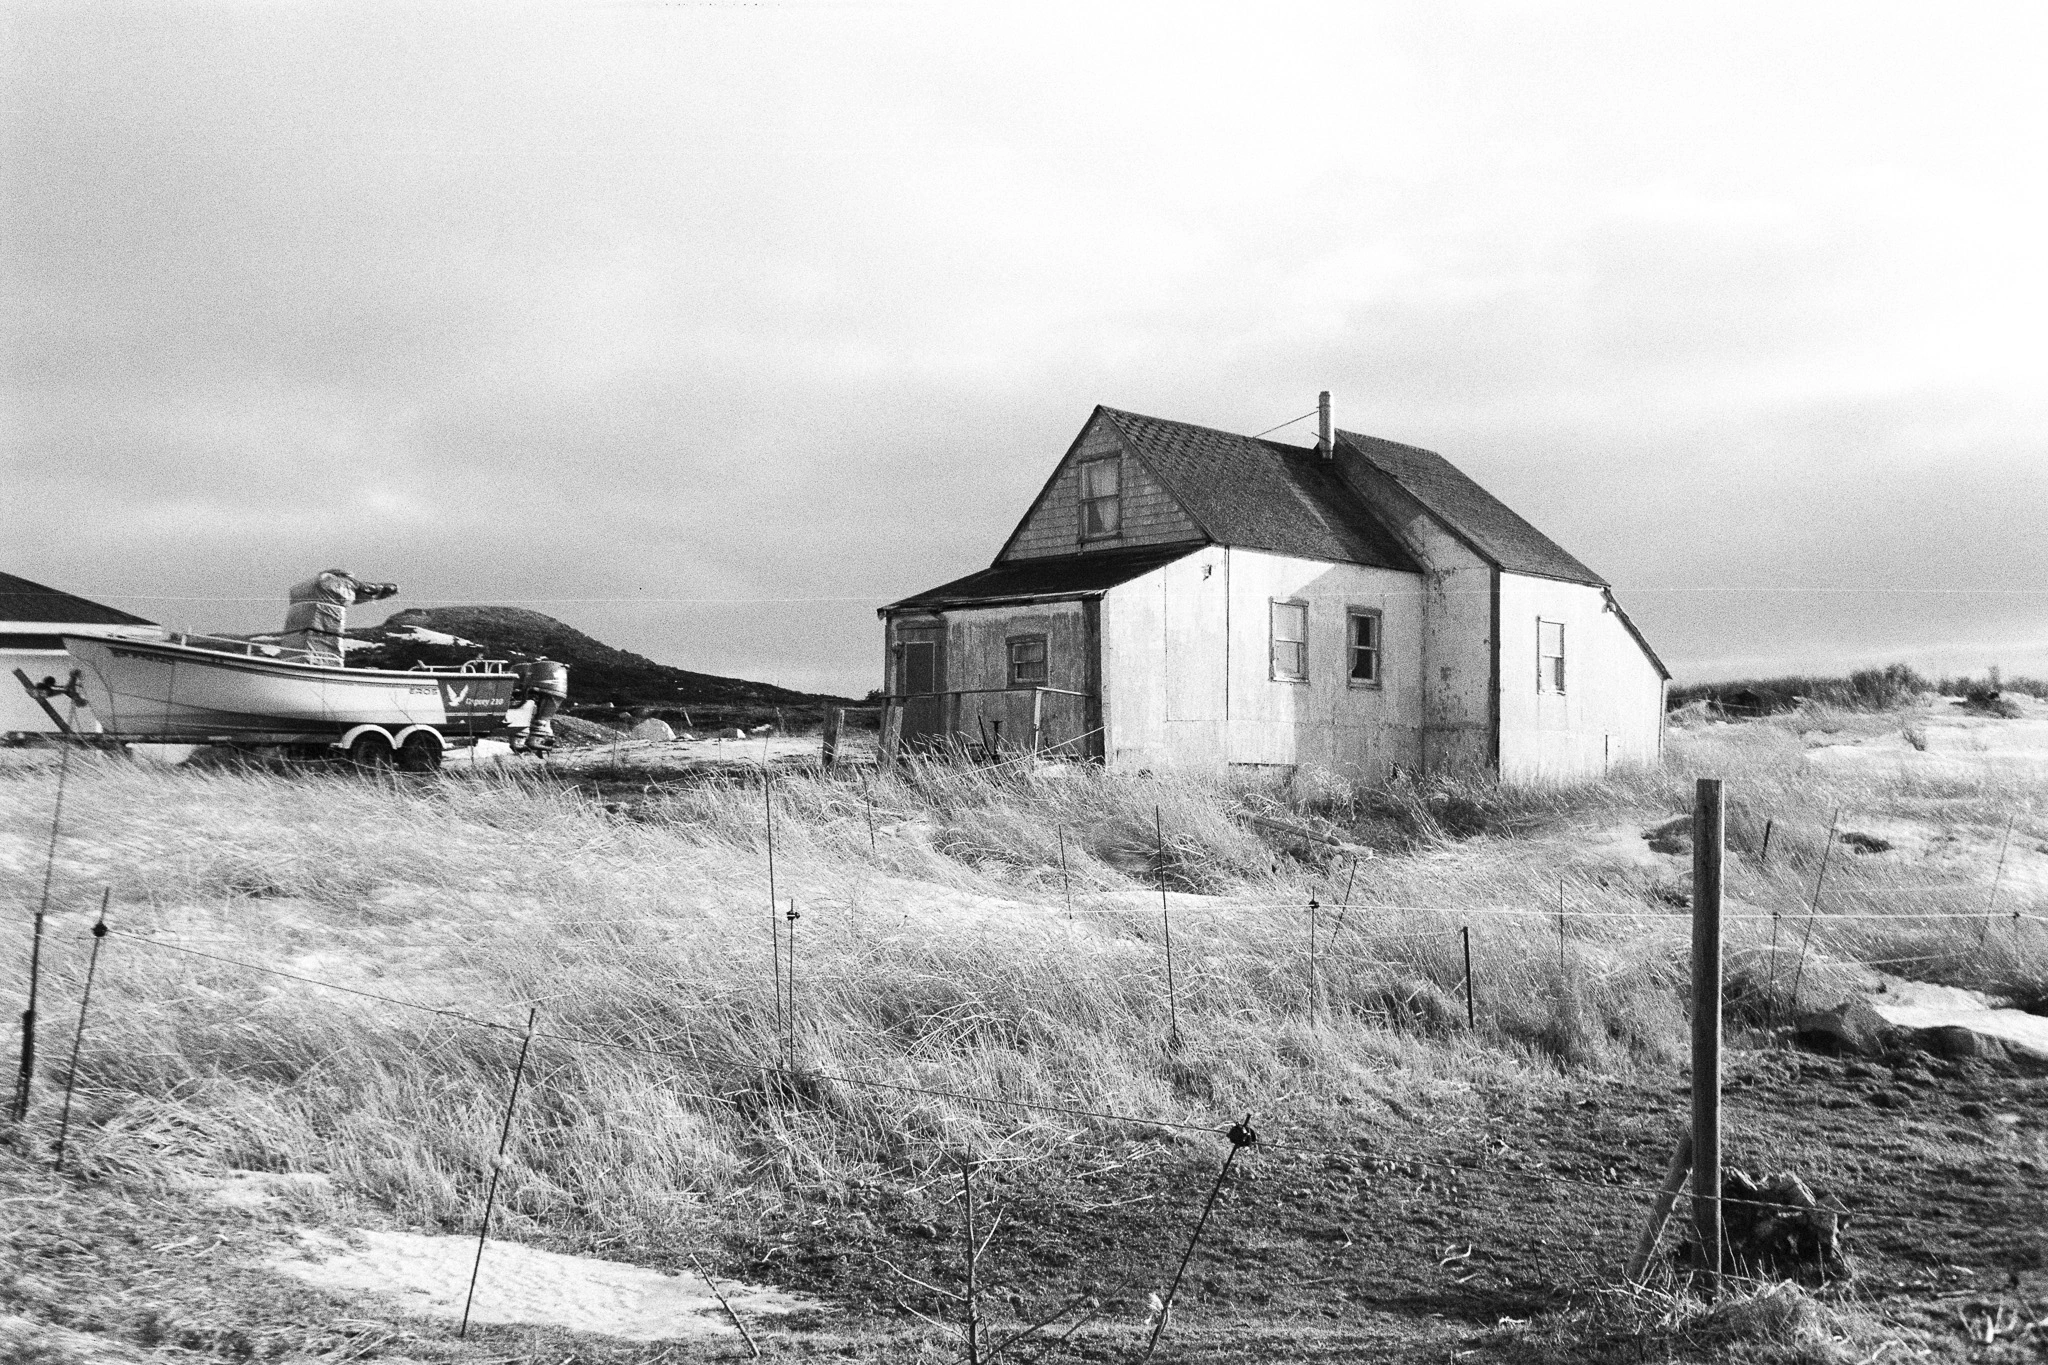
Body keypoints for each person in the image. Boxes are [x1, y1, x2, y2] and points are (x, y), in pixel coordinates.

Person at [280, 570, 398, 665]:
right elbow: (366, 588)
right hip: (324, 625)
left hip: (297, 642)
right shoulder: (337, 583)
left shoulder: (307, 586)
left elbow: (357, 595)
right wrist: (391, 588)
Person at [511, 656, 570, 753]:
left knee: (536, 716)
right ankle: (534, 736)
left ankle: (523, 737)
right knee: (540, 718)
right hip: (540, 697)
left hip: (531, 697)